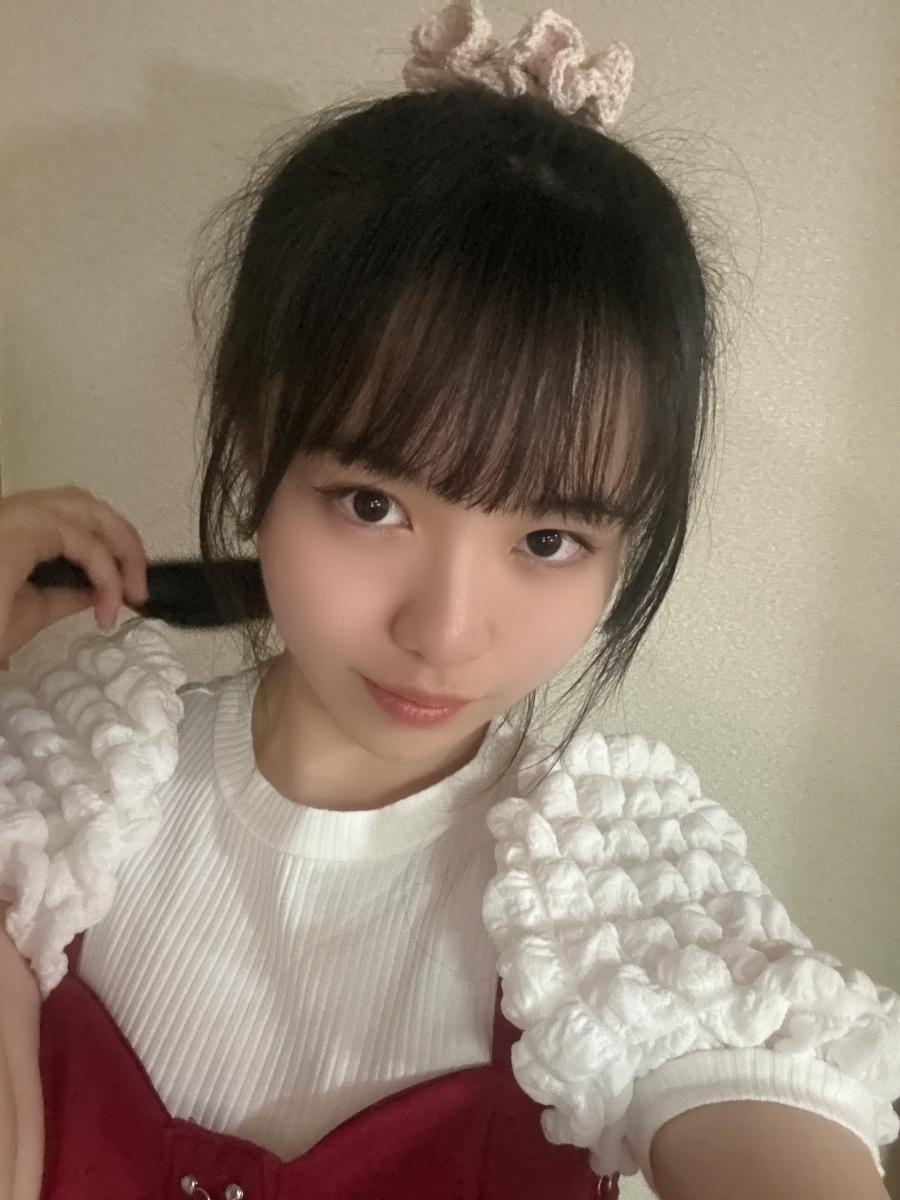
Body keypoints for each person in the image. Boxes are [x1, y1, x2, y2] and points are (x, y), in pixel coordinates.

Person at [1, 3, 898, 1198]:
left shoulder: (616, 884)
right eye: (373, 504)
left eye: (549, 538)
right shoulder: (63, 786)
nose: (443, 633)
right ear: (261, 447)